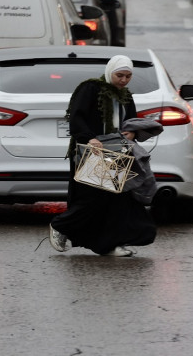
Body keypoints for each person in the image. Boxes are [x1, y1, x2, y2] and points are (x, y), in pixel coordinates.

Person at [48, 55, 157, 257]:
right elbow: (77, 116)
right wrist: (89, 138)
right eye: (120, 75)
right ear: (110, 72)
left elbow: (130, 121)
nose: (123, 80)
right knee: (92, 198)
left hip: (117, 153)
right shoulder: (91, 88)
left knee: (118, 200)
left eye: (128, 76)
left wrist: (132, 133)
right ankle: (61, 226)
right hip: (92, 153)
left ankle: (111, 244)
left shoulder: (125, 95)